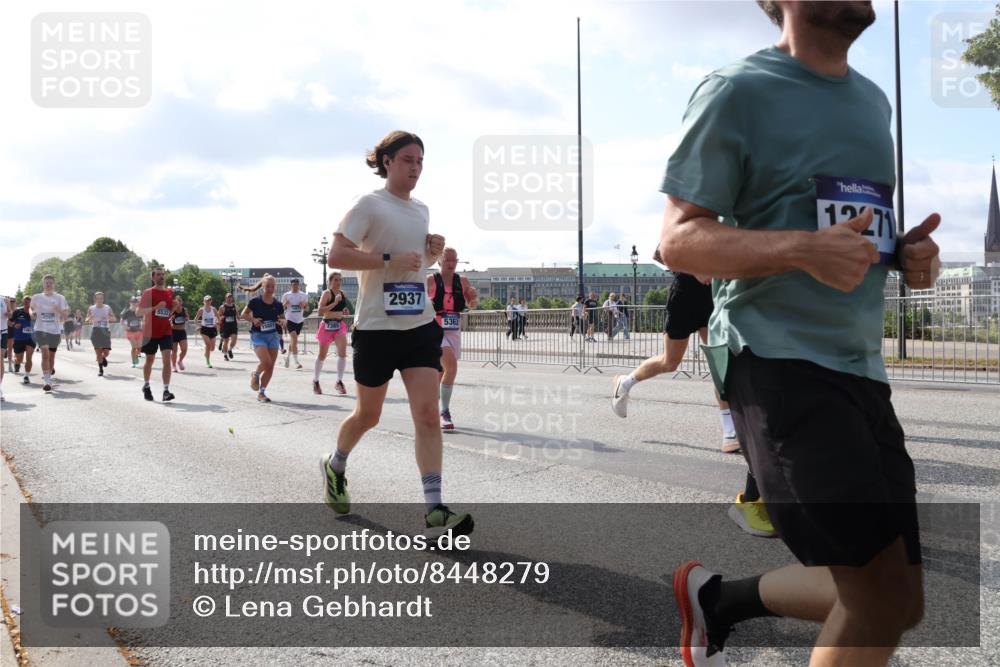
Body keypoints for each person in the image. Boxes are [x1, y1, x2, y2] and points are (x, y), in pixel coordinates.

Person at [660, 3, 940, 664]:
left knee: (901, 600)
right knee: (873, 598)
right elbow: (677, 239)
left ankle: (717, 601)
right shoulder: (736, 91)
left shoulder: (873, 102)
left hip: (860, 369)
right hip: (774, 356)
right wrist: (801, 249)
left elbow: (852, 228)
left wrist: (904, 256)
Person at [320, 130, 473, 535]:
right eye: (408, 159)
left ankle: (434, 508)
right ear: (387, 161)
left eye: (421, 161)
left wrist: (430, 253)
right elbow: (336, 255)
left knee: (426, 414)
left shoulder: (422, 210)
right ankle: (335, 463)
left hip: (419, 324)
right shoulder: (368, 204)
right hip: (375, 328)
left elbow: (413, 266)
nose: (416, 168)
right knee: (368, 415)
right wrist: (388, 257)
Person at [613, 272, 741, 453]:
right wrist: (696, 269)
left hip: (713, 295)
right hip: (684, 296)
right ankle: (625, 382)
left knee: (718, 364)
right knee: (670, 362)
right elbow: (661, 254)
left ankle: (730, 431)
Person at [427, 247, 479, 430]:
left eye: (454, 260)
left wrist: (473, 299)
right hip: (435, 329)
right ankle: (445, 412)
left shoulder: (463, 281)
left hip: (454, 329)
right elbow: (418, 302)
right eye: (447, 260)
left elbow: (472, 305)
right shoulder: (431, 281)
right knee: (452, 365)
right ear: (439, 261)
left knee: (442, 372)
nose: (451, 263)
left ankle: (431, 408)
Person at [240, 274, 285, 402]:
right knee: (266, 362)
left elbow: (282, 317)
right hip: (258, 335)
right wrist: (253, 319)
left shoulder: (278, 304)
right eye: (268, 286)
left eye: (272, 286)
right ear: (263, 287)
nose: (270, 288)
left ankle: (262, 392)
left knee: (271, 367)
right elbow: (244, 314)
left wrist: (283, 321)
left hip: (273, 336)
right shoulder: (255, 301)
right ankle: (256, 374)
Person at [137, 268, 175, 402]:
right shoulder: (148, 293)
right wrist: (155, 307)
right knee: (150, 360)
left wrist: (175, 308)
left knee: (167, 359)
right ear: (153, 278)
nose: (161, 277)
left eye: (163, 274)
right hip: (150, 332)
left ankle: (166, 391)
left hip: (165, 331)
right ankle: (146, 385)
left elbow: (169, 312)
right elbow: (138, 312)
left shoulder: (170, 292)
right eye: (158, 275)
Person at [313, 272, 352, 395]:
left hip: (339, 325)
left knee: (343, 353)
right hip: (327, 326)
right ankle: (316, 380)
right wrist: (334, 303)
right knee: (322, 356)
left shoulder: (342, 294)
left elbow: (342, 308)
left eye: (340, 280)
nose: (338, 282)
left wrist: (344, 310)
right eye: (336, 280)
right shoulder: (326, 293)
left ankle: (339, 381)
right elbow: (320, 311)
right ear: (330, 281)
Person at [30, 275, 69, 392]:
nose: (48, 284)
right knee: (45, 354)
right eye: (46, 282)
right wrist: (32, 313)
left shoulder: (60, 298)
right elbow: (31, 308)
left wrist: (58, 310)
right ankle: (47, 380)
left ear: (54, 284)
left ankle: (49, 376)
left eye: (50, 283)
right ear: (43, 284)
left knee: (51, 356)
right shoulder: (36, 297)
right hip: (41, 329)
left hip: (55, 330)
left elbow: (65, 316)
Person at [86, 292, 116, 376]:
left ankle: (103, 357)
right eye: (98, 298)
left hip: (105, 331)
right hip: (96, 331)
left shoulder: (107, 308)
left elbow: (114, 319)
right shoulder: (91, 308)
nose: (99, 300)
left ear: (103, 299)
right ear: (95, 299)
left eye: (101, 298)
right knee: (98, 352)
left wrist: (107, 317)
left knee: (106, 352)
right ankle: (100, 369)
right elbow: (86, 319)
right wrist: (90, 318)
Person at [282, 278, 309, 369]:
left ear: (299, 285)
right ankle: (296, 362)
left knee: (293, 341)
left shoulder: (303, 295)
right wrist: (285, 304)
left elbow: (307, 309)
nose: (295, 286)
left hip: (299, 320)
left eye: (297, 284)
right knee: (294, 339)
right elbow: (281, 308)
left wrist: (304, 306)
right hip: (289, 319)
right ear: (291, 285)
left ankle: (288, 358)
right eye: (293, 284)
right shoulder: (286, 295)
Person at [11, 296, 36, 384]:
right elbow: (10, 322)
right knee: (20, 359)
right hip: (19, 338)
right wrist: (15, 325)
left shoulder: (34, 312)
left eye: (29, 302)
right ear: (23, 302)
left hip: (31, 338)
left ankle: (26, 376)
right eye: (25, 302)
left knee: (29, 358)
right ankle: (16, 362)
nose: (27, 304)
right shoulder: (17, 311)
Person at [194, 295, 219, 368]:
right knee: (208, 345)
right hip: (204, 329)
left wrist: (216, 323)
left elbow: (218, 318)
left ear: (211, 301)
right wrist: (198, 326)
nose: (208, 302)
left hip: (212, 329)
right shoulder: (201, 310)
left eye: (209, 300)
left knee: (212, 348)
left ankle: (206, 353)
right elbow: (195, 319)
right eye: (206, 301)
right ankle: (208, 362)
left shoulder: (213, 309)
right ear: (203, 302)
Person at [120, 297, 144, 368]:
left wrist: (142, 325)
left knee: (139, 348)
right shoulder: (127, 312)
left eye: (135, 303)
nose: (134, 304)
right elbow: (121, 320)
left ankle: (136, 356)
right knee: (134, 347)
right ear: (130, 303)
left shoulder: (139, 311)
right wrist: (125, 326)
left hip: (139, 332)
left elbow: (143, 320)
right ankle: (134, 361)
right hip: (130, 332)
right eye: (133, 302)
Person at [170, 295, 190, 372]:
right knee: (174, 351)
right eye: (177, 301)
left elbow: (187, 318)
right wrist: (171, 319)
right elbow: (168, 317)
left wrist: (186, 318)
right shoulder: (173, 310)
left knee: (184, 349)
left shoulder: (184, 310)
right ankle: (174, 365)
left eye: (180, 301)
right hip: (174, 332)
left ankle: (180, 361)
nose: (179, 302)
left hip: (182, 331)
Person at [218, 293, 239, 360]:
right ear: (225, 298)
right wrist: (221, 317)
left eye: (230, 297)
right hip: (225, 327)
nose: (229, 299)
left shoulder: (235, 306)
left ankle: (230, 350)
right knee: (226, 342)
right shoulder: (222, 307)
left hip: (233, 325)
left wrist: (240, 317)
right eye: (228, 297)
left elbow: (238, 316)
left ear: (232, 298)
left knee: (234, 340)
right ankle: (225, 355)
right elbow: (218, 316)